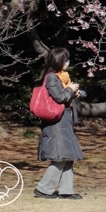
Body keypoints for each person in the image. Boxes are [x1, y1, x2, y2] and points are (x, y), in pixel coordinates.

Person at [33, 47, 85, 200]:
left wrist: (73, 93)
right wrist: (69, 89)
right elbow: (60, 97)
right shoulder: (51, 77)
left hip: (64, 120)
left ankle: (66, 190)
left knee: (68, 155)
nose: (67, 62)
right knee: (60, 156)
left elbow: (64, 97)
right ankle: (43, 189)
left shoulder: (62, 77)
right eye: (65, 59)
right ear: (58, 61)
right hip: (56, 122)